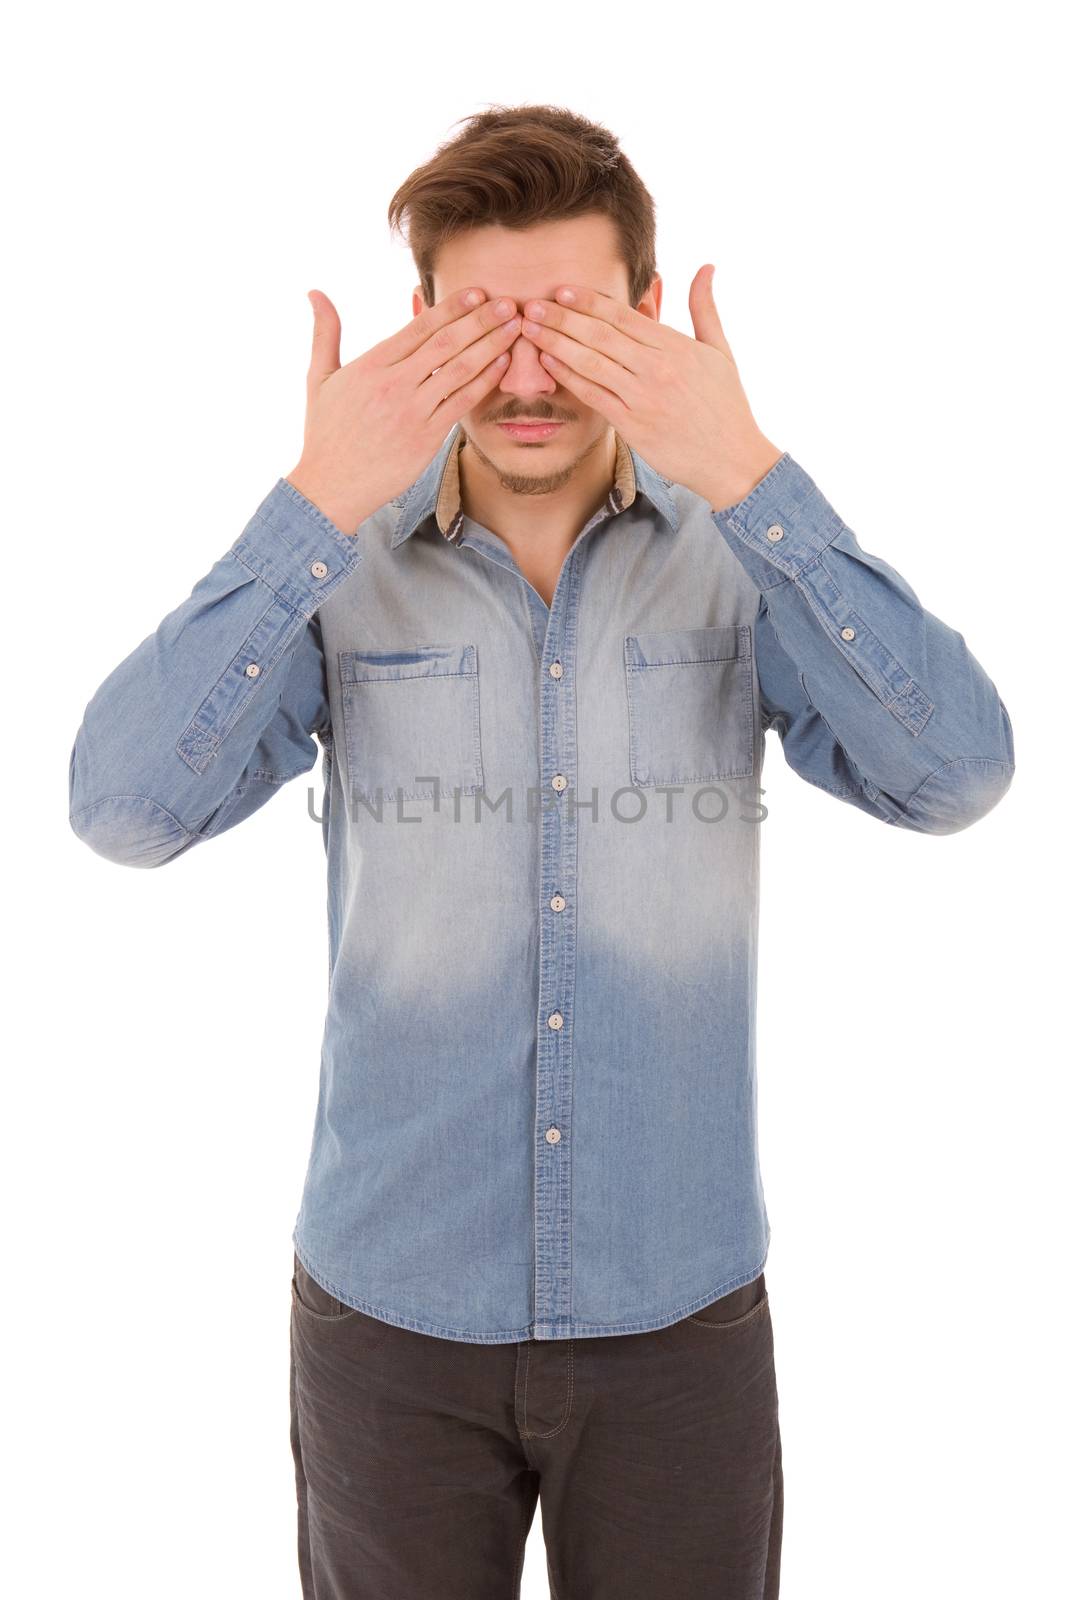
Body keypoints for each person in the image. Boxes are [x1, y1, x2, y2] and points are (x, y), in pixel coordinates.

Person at [68, 103, 1015, 1599]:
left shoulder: (742, 566)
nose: (521, 376)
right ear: (416, 335)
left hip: (680, 1315)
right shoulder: (338, 573)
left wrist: (753, 472)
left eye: (570, 322)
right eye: (476, 328)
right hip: (388, 1319)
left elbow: (959, 773)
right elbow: (121, 811)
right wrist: (315, 501)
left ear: (652, 320)